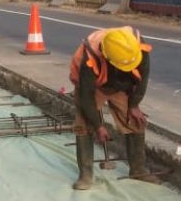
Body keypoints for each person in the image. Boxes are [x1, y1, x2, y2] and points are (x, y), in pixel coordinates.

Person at [68, 26, 161, 189]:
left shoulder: (137, 47)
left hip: (121, 85)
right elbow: (86, 96)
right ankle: (85, 175)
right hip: (94, 85)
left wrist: (134, 105)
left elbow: (143, 77)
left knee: (135, 121)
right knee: (83, 123)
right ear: (107, 58)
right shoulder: (89, 58)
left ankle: (138, 169)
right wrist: (98, 125)